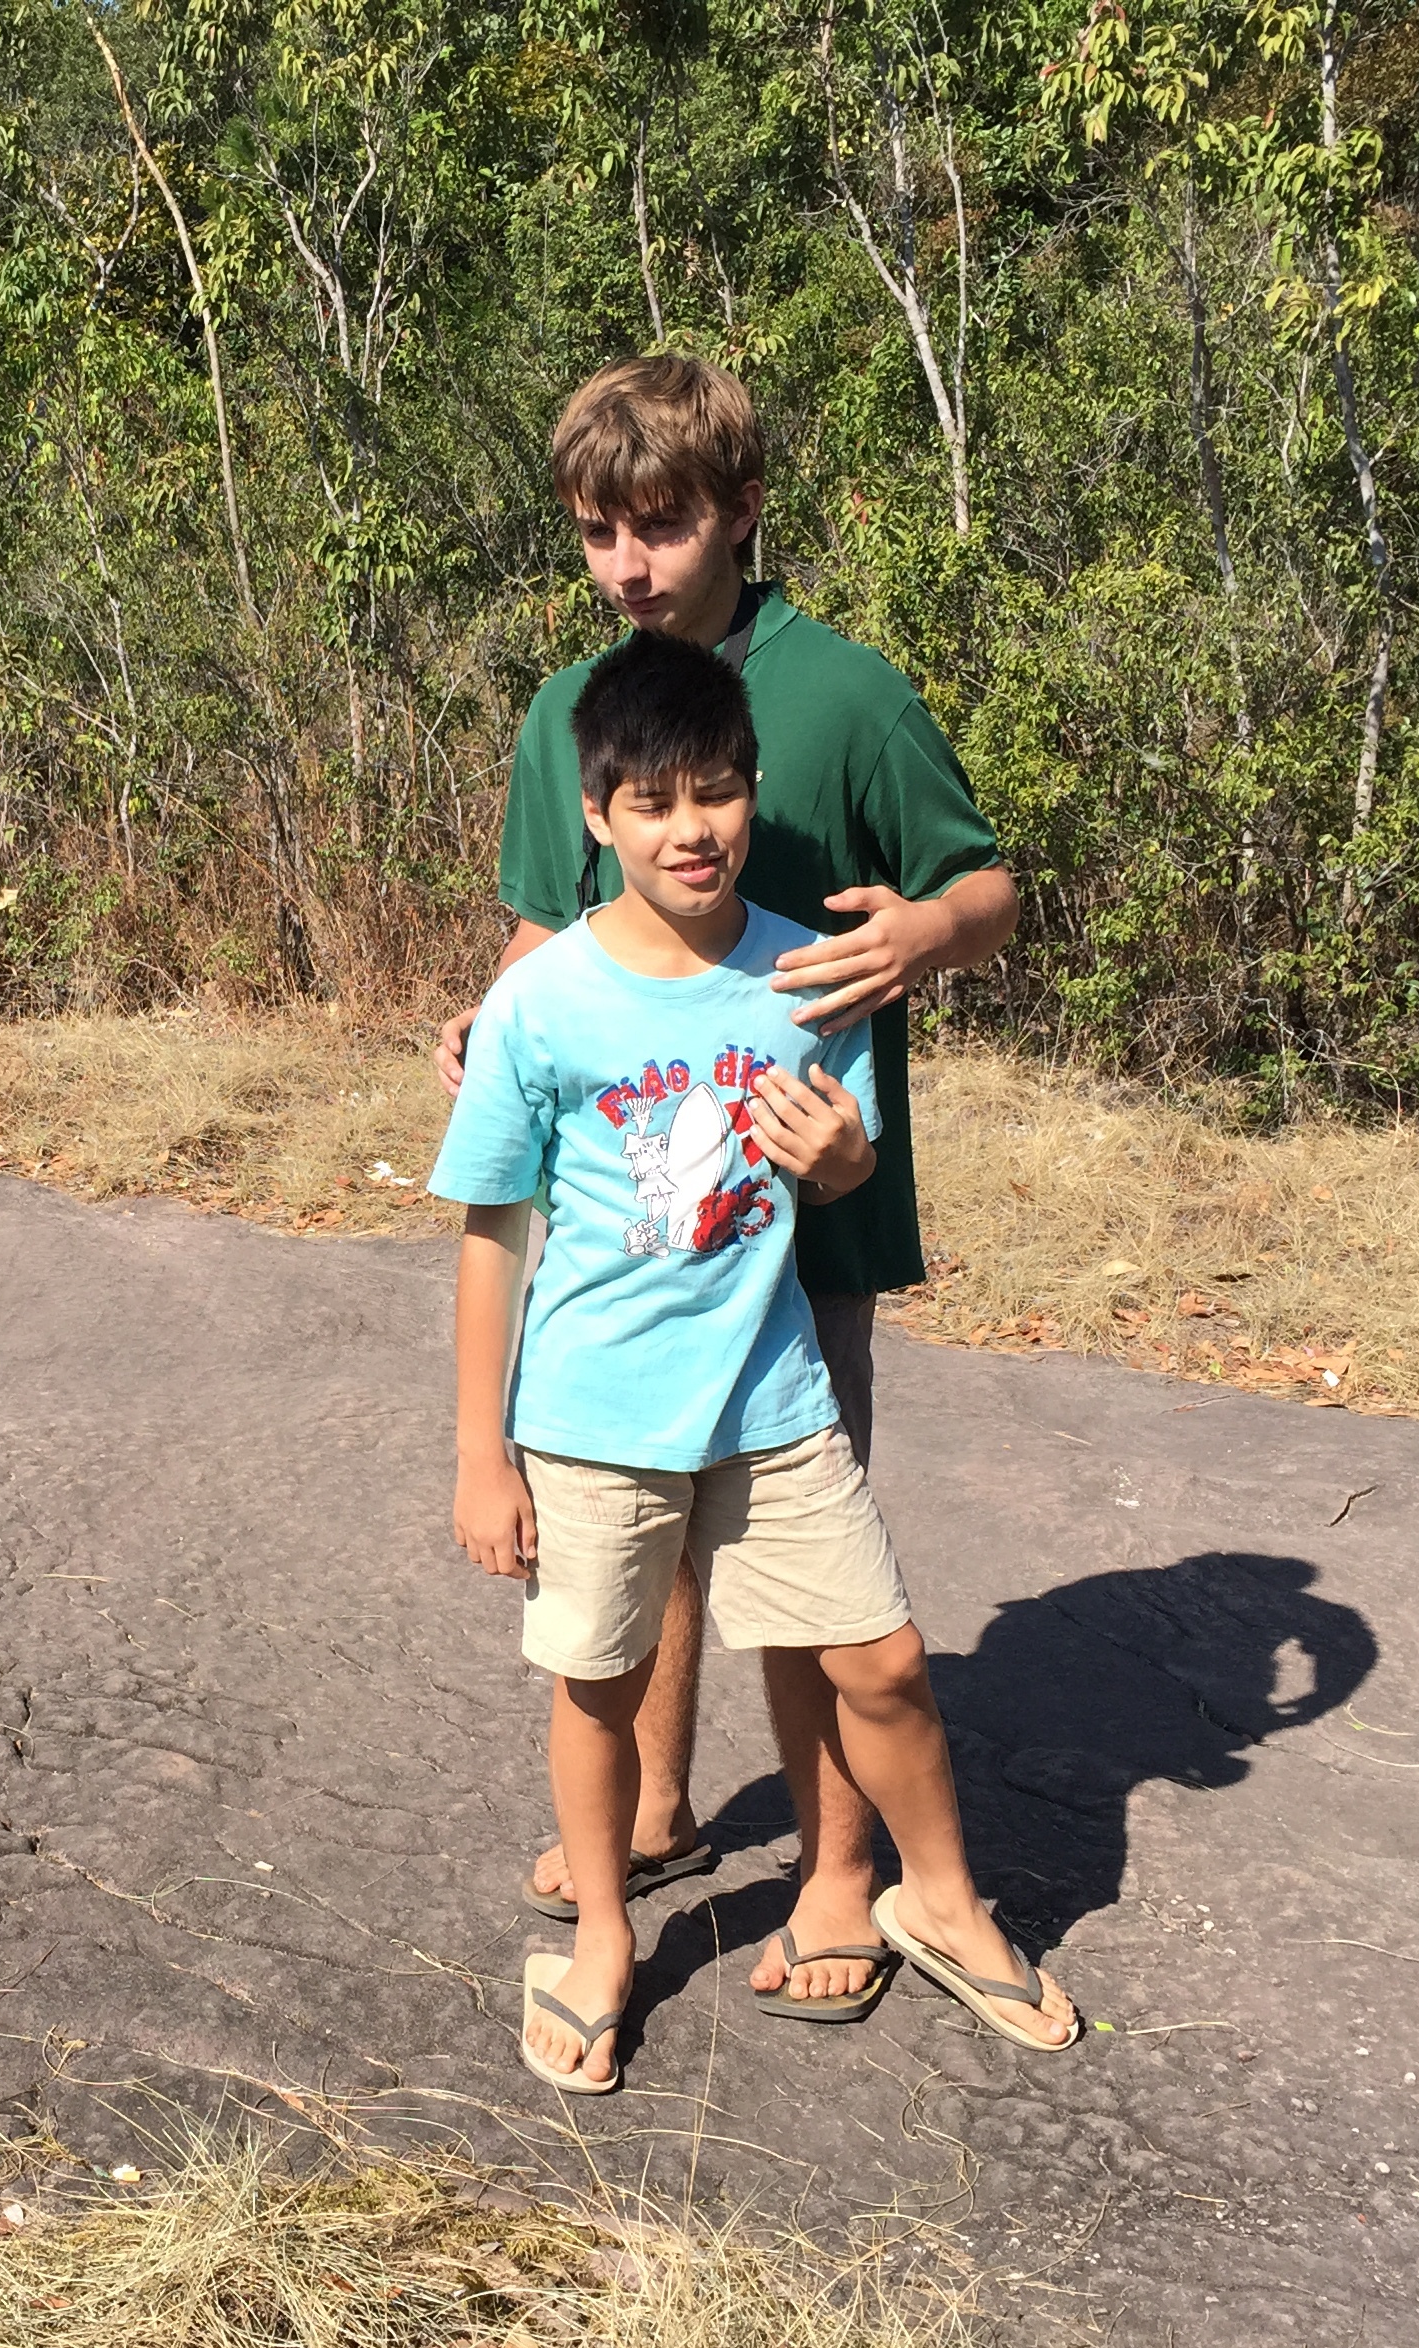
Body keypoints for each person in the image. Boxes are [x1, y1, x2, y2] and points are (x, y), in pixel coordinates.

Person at [435, 353, 1020, 2020]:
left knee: (792, 1557)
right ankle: (664, 1805)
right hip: (633, 1226)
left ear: (742, 513)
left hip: (805, 1200)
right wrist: (497, 1007)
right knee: (646, 1522)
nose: (633, 565)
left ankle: (841, 1875)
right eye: (602, 531)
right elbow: (559, 918)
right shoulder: (571, 710)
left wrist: (926, 932)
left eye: (667, 525)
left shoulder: (844, 695)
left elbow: (987, 883)